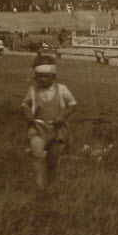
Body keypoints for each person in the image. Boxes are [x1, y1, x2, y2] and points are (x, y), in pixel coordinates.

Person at [21, 54, 77, 190]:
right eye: (39, 76)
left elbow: (73, 105)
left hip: (57, 130)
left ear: (53, 76)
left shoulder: (61, 89)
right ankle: (39, 186)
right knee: (37, 155)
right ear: (35, 77)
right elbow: (24, 105)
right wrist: (28, 115)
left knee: (53, 159)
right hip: (38, 128)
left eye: (47, 76)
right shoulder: (33, 91)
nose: (43, 79)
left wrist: (62, 116)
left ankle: (50, 184)